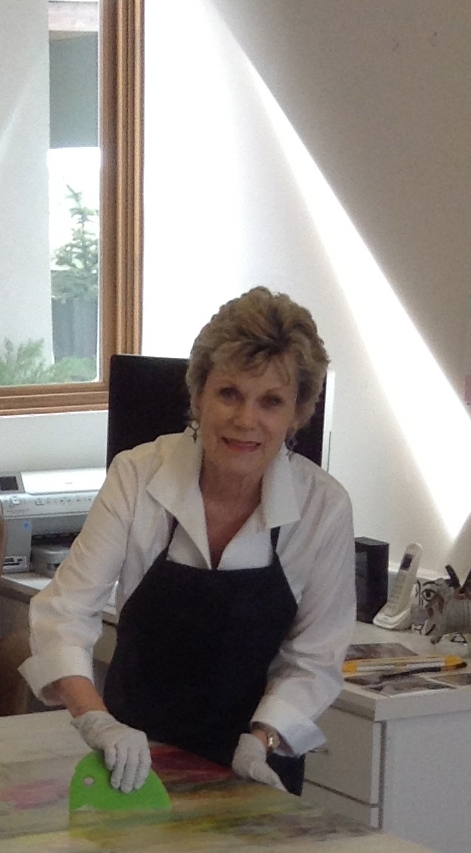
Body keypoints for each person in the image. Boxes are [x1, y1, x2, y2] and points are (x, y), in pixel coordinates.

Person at [21, 288, 355, 796]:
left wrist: (261, 741)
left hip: (254, 768)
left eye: (271, 401)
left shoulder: (323, 508)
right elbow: (64, 614)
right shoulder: (137, 477)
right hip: (132, 765)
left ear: (298, 413)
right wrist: (97, 721)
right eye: (229, 393)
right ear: (197, 396)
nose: (246, 419)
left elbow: (314, 659)